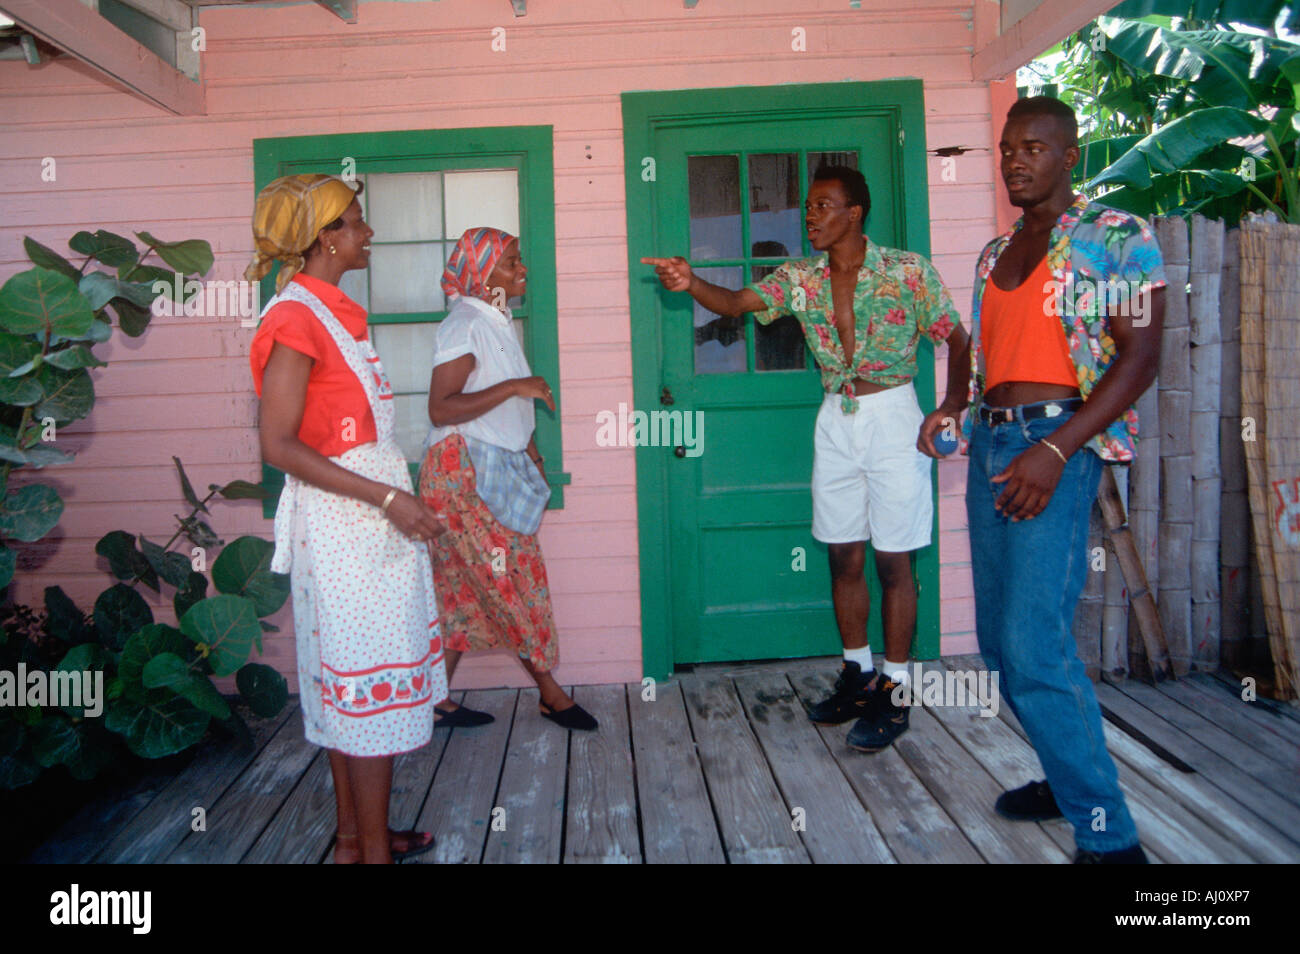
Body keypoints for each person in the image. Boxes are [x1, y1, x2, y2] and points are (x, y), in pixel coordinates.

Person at [918, 96, 1166, 863]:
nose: (1016, 159)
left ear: (1069, 155)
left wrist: (1056, 451)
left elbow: (1141, 357)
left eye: (1033, 147)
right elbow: (982, 354)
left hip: (1053, 445)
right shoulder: (994, 254)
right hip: (993, 447)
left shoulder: (1117, 236)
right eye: (1006, 148)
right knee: (999, 642)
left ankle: (1110, 839)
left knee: (1034, 643)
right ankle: (1066, 780)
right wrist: (954, 405)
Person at [644, 165, 969, 751]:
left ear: (855, 212)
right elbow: (738, 302)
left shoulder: (907, 271)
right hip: (835, 420)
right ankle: (856, 673)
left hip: (895, 416)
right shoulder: (800, 276)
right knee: (844, 556)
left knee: (894, 563)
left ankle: (895, 692)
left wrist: (950, 406)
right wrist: (691, 283)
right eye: (807, 207)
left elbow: (958, 338)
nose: (810, 216)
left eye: (823, 205)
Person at [248, 173, 449, 864]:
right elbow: (278, 445)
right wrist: (389, 498)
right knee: (367, 694)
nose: (367, 232)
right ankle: (373, 856)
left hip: (364, 519)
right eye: (356, 221)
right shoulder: (295, 317)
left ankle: (355, 839)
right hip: (347, 525)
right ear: (328, 238)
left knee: (354, 690)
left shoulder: (325, 311)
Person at [417, 227, 598, 732]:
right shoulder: (463, 326)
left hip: (490, 464)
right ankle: (551, 695)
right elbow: (440, 408)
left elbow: (506, 410)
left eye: (519, 260)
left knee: (462, 589)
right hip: (462, 474)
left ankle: (436, 698)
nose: (523, 270)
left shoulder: (497, 320)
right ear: (481, 273)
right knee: (513, 582)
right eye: (511, 262)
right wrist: (517, 384)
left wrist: (533, 451)